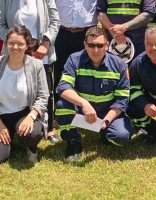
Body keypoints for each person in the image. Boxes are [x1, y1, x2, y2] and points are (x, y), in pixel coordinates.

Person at [0, 0, 59, 141]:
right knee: (19, 88)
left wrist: (45, 44)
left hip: (41, 51)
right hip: (16, 51)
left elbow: (55, 21)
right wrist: (16, 44)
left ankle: (48, 128)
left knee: (44, 89)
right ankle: (17, 122)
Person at [47, 0, 105, 141]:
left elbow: (100, 3)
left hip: (87, 35)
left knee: (85, 75)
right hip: (62, 34)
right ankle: (56, 117)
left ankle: (84, 115)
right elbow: (50, 3)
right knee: (60, 75)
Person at [55, 26, 133, 161]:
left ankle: (104, 131)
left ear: (107, 46)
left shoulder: (120, 65)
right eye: (91, 45)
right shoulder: (74, 59)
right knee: (62, 106)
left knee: (121, 137)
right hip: (82, 111)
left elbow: (122, 100)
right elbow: (63, 87)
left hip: (107, 112)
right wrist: (84, 103)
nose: (95, 50)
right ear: (85, 45)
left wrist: (107, 121)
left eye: (99, 45)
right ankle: (73, 142)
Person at [0, 26, 50, 164]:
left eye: (20, 44)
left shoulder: (36, 65)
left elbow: (43, 96)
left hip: (24, 113)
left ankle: (29, 145)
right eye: (11, 43)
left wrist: (31, 117)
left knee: (31, 134)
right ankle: (8, 137)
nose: (15, 47)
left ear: (27, 45)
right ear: (5, 43)